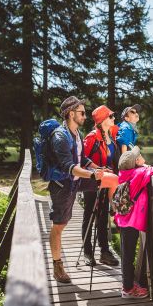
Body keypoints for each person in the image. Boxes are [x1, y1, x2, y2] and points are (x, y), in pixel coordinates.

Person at [48, 96, 106, 283]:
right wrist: (91, 175)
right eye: (82, 112)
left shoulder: (77, 134)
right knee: (59, 225)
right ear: (71, 114)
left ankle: (116, 214)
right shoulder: (60, 136)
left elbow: (82, 160)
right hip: (62, 185)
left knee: (107, 180)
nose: (85, 116)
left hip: (74, 181)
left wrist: (96, 168)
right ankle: (57, 266)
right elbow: (69, 166)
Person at [114, 146, 153, 298]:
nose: (142, 156)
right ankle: (128, 290)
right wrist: (146, 166)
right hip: (131, 221)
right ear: (137, 161)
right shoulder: (139, 173)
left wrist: (141, 165)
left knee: (126, 254)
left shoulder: (124, 173)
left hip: (123, 219)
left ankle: (128, 283)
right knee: (128, 256)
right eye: (139, 156)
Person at [82, 105, 120, 266]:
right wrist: (97, 169)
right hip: (92, 181)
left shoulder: (111, 135)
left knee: (103, 216)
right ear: (103, 120)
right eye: (110, 116)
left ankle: (104, 251)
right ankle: (87, 252)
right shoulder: (91, 137)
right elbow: (81, 159)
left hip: (107, 180)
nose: (113, 119)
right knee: (89, 215)